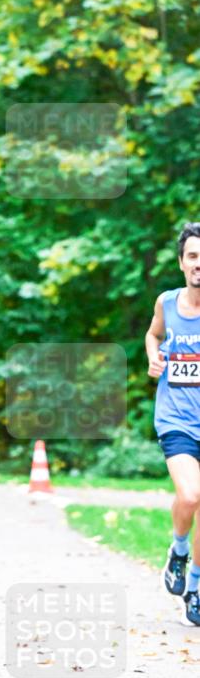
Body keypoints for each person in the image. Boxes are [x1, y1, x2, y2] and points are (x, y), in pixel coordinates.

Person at [146, 221, 200, 626]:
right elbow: (154, 335)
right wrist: (153, 355)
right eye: (193, 256)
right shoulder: (166, 302)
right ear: (183, 263)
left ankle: (194, 586)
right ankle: (179, 549)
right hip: (176, 418)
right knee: (191, 495)